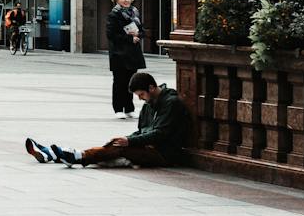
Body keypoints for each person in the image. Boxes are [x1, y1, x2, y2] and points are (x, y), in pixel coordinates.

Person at [26, 71, 192, 167]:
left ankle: (75, 156)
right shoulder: (150, 103)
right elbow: (142, 130)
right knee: (114, 146)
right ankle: (55, 154)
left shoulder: (171, 103)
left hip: (164, 153)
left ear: (151, 87)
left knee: (120, 149)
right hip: (149, 147)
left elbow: (161, 133)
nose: (141, 99)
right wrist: (128, 139)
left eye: (141, 94)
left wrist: (129, 141)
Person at [106, 0, 146, 118]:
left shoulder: (135, 13)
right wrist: (130, 38)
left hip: (132, 53)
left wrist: (138, 34)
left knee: (131, 82)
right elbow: (111, 34)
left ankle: (129, 108)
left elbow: (142, 31)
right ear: (117, 0)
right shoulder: (114, 15)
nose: (126, 0)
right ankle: (118, 109)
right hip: (119, 53)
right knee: (119, 82)